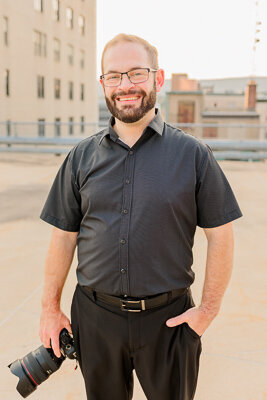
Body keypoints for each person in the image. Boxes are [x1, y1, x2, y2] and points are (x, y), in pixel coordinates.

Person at [39, 33, 243, 400]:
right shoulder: (80, 158)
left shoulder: (194, 155)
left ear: (158, 79)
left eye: (136, 73)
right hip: (95, 318)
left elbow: (221, 235)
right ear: (103, 85)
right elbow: (63, 237)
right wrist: (49, 309)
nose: (125, 85)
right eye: (114, 76)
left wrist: (207, 311)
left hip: (169, 323)